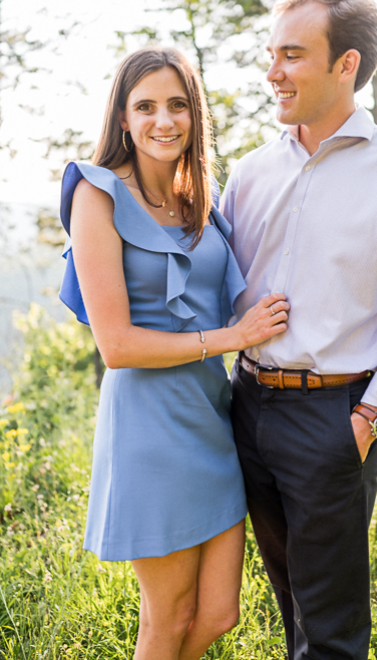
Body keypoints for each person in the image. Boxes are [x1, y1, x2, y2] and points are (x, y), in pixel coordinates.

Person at [220, 0, 377, 659]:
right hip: (247, 405)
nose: (273, 72)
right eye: (272, 54)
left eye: (291, 55)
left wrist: (366, 419)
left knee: (333, 628)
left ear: (345, 64)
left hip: (334, 417)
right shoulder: (250, 173)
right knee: (291, 599)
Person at [59, 46, 290, 659]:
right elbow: (116, 346)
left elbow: (238, 290)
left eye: (178, 105)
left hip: (210, 417)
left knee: (217, 615)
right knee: (167, 620)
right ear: (124, 119)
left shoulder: (200, 199)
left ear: (195, 115)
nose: (164, 121)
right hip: (148, 426)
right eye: (146, 107)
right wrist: (230, 340)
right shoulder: (97, 195)